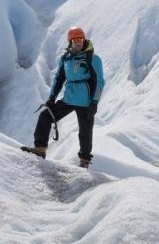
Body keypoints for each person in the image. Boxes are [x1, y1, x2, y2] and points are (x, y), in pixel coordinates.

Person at [24, 26, 104, 168]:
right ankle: (40, 149)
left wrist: (94, 102)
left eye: (80, 39)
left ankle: (84, 161)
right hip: (69, 98)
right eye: (75, 40)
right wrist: (51, 98)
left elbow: (99, 82)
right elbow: (59, 78)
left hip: (86, 102)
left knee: (85, 131)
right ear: (70, 42)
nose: (78, 42)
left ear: (84, 40)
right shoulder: (65, 59)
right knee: (45, 116)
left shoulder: (93, 58)